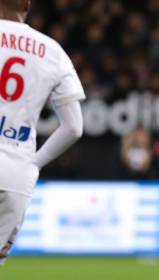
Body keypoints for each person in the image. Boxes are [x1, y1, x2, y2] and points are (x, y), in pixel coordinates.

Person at [0, 0, 84, 264]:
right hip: (15, 174)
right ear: (27, 4)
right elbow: (74, 127)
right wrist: (33, 165)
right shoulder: (53, 51)